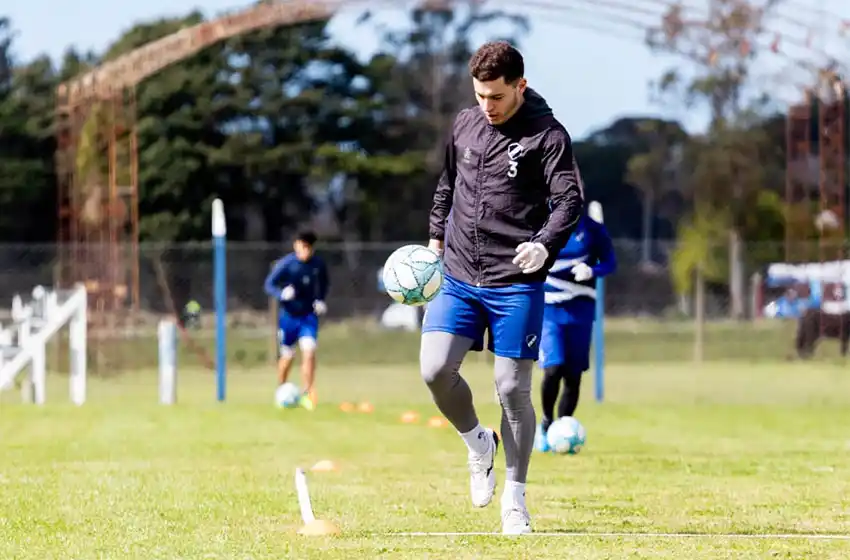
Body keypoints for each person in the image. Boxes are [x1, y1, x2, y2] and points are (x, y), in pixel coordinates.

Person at [420, 41, 584, 534]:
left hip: (515, 280)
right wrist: (433, 241)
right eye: (479, 95)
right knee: (433, 371)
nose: (486, 106)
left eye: (495, 96)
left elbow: (569, 200)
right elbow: (447, 184)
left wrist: (544, 245)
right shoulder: (465, 123)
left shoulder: (548, 136)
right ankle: (478, 443)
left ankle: (515, 498)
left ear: (520, 86)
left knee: (512, 388)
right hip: (458, 275)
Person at [534, 212, 616, 453]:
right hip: (549, 307)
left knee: (573, 375)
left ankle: (564, 428)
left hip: (581, 308)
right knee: (553, 368)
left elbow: (611, 262)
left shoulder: (593, 230)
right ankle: (547, 423)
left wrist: (592, 271)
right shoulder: (543, 224)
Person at [263, 230, 329, 410]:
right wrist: (281, 294)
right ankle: (281, 389)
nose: (305, 251)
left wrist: (320, 300)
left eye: (308, 248)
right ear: (296, 245)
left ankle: (308, 393)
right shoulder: (287, 264)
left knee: (309, 352)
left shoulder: (318, 265)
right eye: (302, 247)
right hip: (289, 318)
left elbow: (324, 283)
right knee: (288, 356)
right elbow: (268, 284)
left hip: (308, 317)